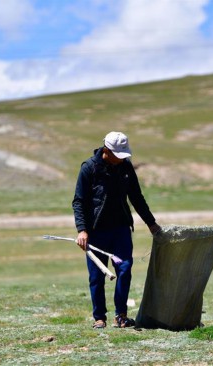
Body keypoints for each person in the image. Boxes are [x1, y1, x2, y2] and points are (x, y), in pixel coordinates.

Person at [72, 131, 162, 329]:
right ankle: (99, 317)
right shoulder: (89, 168)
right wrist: (82, 230)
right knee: (97, 275)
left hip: (120, 230)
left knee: (125, 268)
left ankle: (121, 315)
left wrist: (151, 223)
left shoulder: (126, 167)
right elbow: (78, 202)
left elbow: (136, 197)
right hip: (96, 232)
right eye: (117, 156)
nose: (121, 160)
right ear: (106, 150)